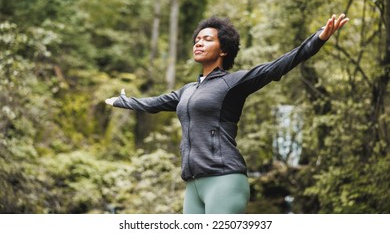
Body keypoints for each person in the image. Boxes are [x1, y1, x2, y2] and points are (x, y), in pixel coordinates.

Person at [105, 14, 349, 214]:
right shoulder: (187, 91)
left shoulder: (233, 82)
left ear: (223, 50)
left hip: (224, 178)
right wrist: (123, 101)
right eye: (197, 39)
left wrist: (318, 38)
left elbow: (278, 65)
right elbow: (154, 103)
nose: (198, 43)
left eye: (207, 39)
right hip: (193, 183)